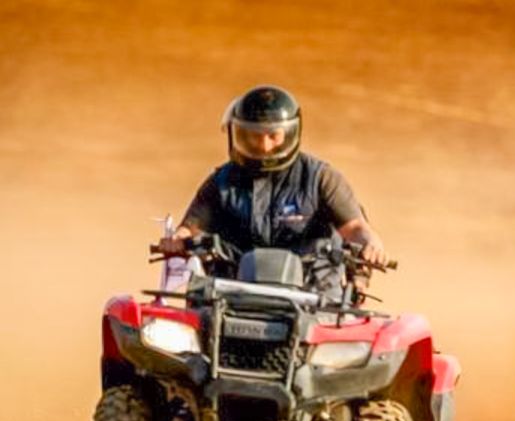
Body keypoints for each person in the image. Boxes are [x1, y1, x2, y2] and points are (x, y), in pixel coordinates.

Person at [156, 85, 389, 290]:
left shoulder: (321, 178)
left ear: (290, 134)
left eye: (273, 136)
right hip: (231, 294)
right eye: (254, 136)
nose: (264, 146)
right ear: (236, 133)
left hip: (314, 298)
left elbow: (355, 227)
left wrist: (371, 243)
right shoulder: (221, 182)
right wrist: (176, 239)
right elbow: (191, 227)